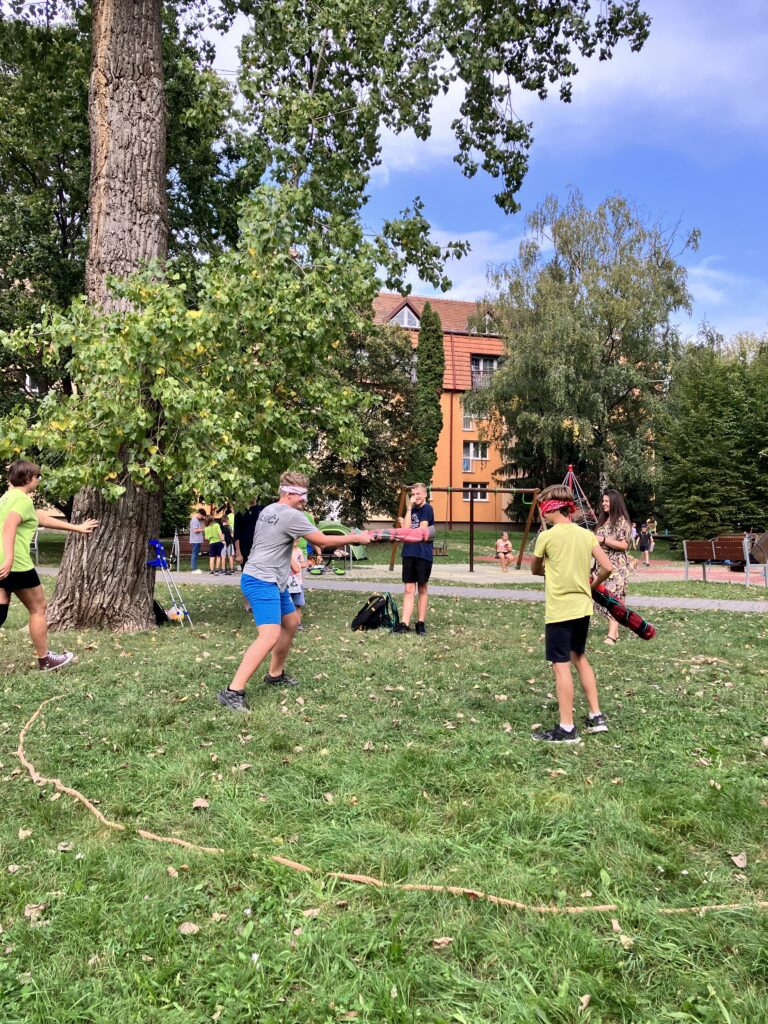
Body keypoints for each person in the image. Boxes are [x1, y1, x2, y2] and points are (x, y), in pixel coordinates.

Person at [217, 471, 372, 712]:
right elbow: (322, 541)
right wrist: (356, 538)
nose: (305, 501)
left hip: (270, 579)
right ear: (288, 493)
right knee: (269, 635)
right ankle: (232, 691)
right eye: (302, 495)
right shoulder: (291, 515)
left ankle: (275, 674)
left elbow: (278, 539)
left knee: (290, 622)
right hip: (261, 580)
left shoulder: (269, 510)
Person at [529, 484, 613, 744]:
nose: (542, 511)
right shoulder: (586, 535)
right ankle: (596, 716)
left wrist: (548, 568)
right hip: (582, 608)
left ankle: (567, 728)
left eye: (544, 505)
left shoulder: (546, 537)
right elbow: (607, 567)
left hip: (560, 610)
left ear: (553, 507)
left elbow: (535, 569)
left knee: (560, 665)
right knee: (579, 657)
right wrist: (592, 586)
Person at [0, 460, 98, 671]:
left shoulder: (7, 498)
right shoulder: (22, 500)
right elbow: (9, 526)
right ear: (28, 478)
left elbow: (40, 518)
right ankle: (45, 660)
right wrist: (9, 558)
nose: (38, 480)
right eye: (37, 476)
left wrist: (77, 528)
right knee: (38, 608)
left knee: (1, 608)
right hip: (15, 564)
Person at [393, 482, 434, 636]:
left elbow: (420, 531)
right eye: (413, 494)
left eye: (418, 494)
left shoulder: (427, 509)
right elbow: (405, 531)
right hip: (409, 553)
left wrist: (406, 527)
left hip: (423, 553)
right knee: (409, 589)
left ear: (425, 494)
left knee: (422, 588)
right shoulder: (412, 510)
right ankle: (404, 624)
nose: (415, 497)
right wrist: (408, 509)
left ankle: (420, 623)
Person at [594, 490, 632, 646]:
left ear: (614, 502)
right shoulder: (605, 521)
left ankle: (611, 636)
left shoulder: (622, 521)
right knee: (603, 598)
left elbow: (624, 545)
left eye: (606, 501)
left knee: (613, 598)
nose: (603, 503)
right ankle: (614, 630)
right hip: (602, 566)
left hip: (616, 566)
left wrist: (602, 539)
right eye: (603, 501)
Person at [287, 543, 307, 626]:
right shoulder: (284, 550)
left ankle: (298, 624)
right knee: (286, 604)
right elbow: (296, 569)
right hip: (286, 582)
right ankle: (287, 624)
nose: (296, 539)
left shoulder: (299, 551)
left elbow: (303, 564)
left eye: (297, 537)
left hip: (297, 582)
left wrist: (297, 564)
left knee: (297, 604)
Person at [189, 508, 205, 573]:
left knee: (195, 554)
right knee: (194, 554)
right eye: (202, 516)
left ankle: (194, 568)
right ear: (199, 514)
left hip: (197, 540)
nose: (202, 518)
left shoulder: (196, 520)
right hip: (196, 540)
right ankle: (194, 569)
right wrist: (204, 529)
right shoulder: (195, 520)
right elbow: (195, 530)